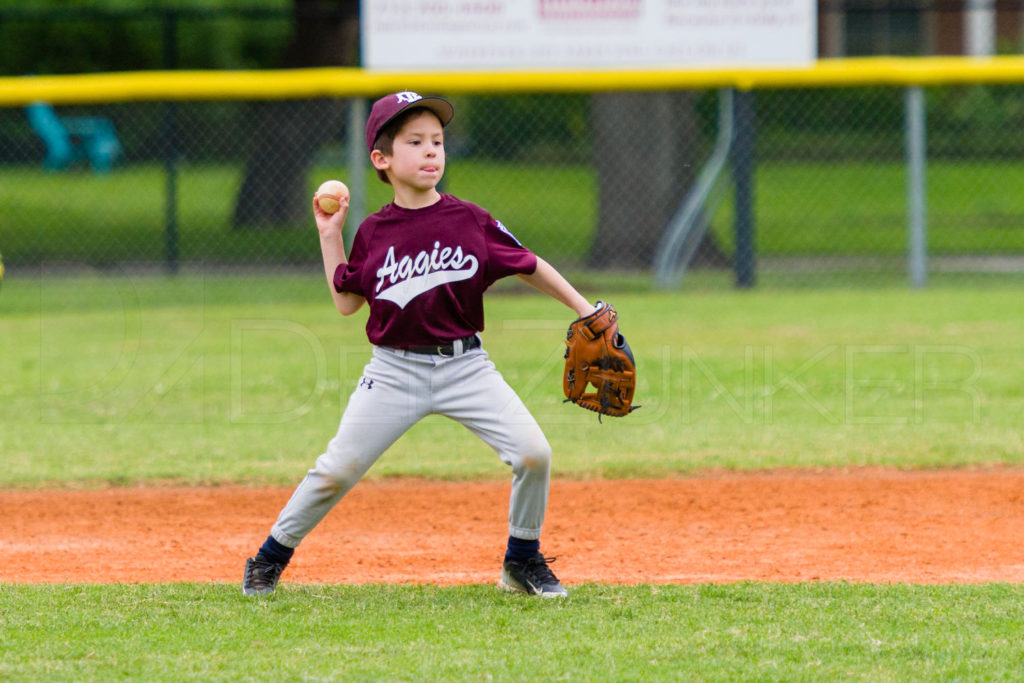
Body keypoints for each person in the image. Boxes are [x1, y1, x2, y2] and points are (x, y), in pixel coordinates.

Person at [242, 91, 597, 598]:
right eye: (415, 142)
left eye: (437, 140)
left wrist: (587, 310)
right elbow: (347, 303)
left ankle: (523, 561)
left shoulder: (470, 220)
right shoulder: (374, 232)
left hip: (466, 367)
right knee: (336, 469)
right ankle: (268, 559)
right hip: (393, 372)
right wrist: (330, 234)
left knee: (534, 453)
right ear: (381, 160)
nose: (432, 151)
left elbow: (529, 264)